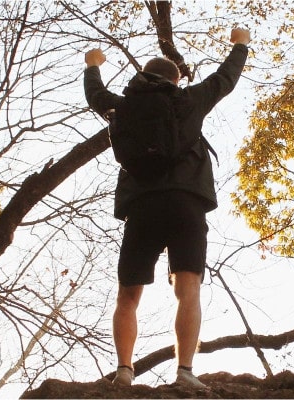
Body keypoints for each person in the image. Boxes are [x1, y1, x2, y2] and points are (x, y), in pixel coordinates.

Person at [83, 27, 251, 389]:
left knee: (128, 294)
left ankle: (124, 371)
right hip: (185, 202)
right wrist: (240, 43)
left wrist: (93, 65)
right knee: (188, 287)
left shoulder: (123, 107)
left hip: (141, 205)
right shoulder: (187, 100)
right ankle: (185, 372)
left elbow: (94, 95)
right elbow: (226, 78)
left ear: (142, 76)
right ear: (176, 79)